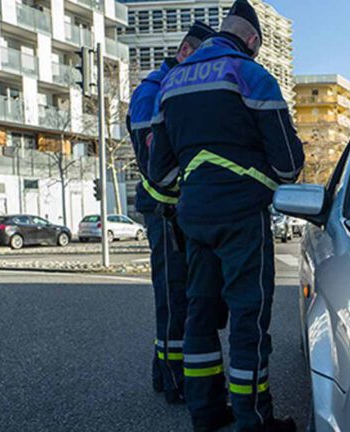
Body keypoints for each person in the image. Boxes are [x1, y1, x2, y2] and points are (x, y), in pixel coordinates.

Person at [148, 1, 304, 431]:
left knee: (199, 315)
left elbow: (159, 170)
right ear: (252, 40)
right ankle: (252, 419)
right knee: (247, 320)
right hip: (242, 217)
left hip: (193, 219)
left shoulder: (173, 81)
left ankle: (205, 413)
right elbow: (290, 163)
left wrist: (195, 185)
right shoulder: (250, 75)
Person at [126, 21, 215, 405]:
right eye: (201, 60)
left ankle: (165, 376)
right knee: (173, 298)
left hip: (172, 211)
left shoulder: (167, 88)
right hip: (164, 212)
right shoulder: (152, 92)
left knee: (181, 296)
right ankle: (174, 380)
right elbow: (155, 163)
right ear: (185, 52)